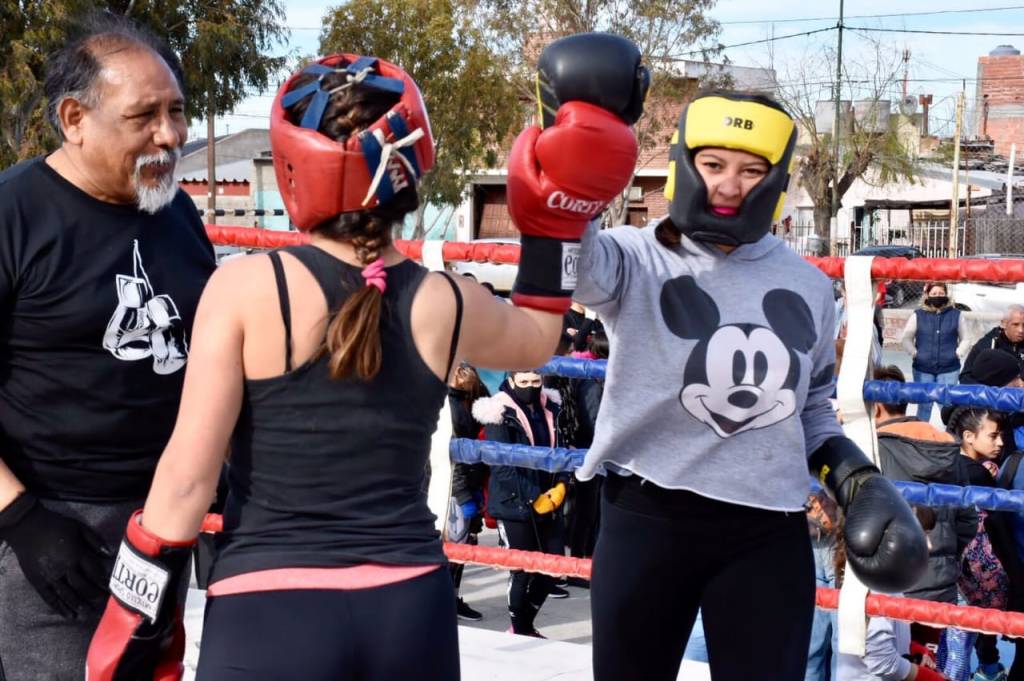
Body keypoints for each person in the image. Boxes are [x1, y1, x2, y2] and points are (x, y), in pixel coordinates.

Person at [87, 49, 638, 678]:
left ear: (296, 165)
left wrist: (134, 612)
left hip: (272, 605)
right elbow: (540, 337)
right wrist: (554, 228)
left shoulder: (246, 290)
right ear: (413, 168)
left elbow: (186, 484)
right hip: (407, 608)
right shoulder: (442, 298)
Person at [527, 73, 927, 678]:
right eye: (713, 164)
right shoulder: (637, 255)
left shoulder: (811, 289)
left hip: (765, 528)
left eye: (749, 170)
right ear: (687, 164)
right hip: (647, 514)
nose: (728, 186)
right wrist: (568, 149)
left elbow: (812, 408)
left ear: (776, 181)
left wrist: (853, 477)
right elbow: (571, 259)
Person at [0, 14, 216, 679]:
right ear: (74, 118)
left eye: (177, 112)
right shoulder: (14, 214)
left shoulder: (173, 210)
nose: (170, 134)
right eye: (144, 116)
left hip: (159, 524)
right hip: (45, 525)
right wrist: (21, 517)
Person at [474, 370, 569, 636]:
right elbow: (501, 465)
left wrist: (561, 483)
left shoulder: (551, 407)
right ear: (512, 380)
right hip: (514, 502)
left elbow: (561, 450)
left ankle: (523, 624)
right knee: (521, 570)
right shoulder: (498, 411)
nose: (530, 387)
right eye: (524, 382)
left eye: (535, 382)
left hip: (549, 499)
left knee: (554, 567)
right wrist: (532, 496)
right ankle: (522, 627)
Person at [835, 508, 949, 681]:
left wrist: (913, 650)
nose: (929, 545)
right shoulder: (874, 580)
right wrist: (930, 679)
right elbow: (880, 661)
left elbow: (877, 641)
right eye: (922, 535)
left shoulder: (881, 573)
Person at [944, 407, 1010, 681]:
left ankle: (989, 670)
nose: (1000, 443)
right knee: (960, 644)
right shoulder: (980, 474)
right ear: (969, 437)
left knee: (957, 641)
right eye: (993, 436)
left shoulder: (947, 462)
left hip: (953, 568)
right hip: (973, 575)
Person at [447, 362, 490, 621]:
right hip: (452, 488)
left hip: (467, 483)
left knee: (462, 546)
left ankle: (451, 598)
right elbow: (454, 460)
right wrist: (467, 501)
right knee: (453, 547)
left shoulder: (470, 400)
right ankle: (446, 600)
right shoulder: (452, 409)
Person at [900, 282, 970, 423]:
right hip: (923, 368)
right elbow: (906, 338)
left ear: (946, 295)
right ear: (927, 295)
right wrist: (915, 354)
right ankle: (921, 437)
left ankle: (950, 436)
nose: (937, 296)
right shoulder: (918, 315)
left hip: (949, 369)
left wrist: (957, 354)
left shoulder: (956, 315)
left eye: (940, 293)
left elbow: (966, 338)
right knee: (924, 404)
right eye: (934, 294)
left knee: (947, 405)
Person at [960, 305, 1024, 385]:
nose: (1021, 330)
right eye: (1015, 324)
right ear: (1003, 324)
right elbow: (965, 378)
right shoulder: (987, 345)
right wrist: (996, 391)